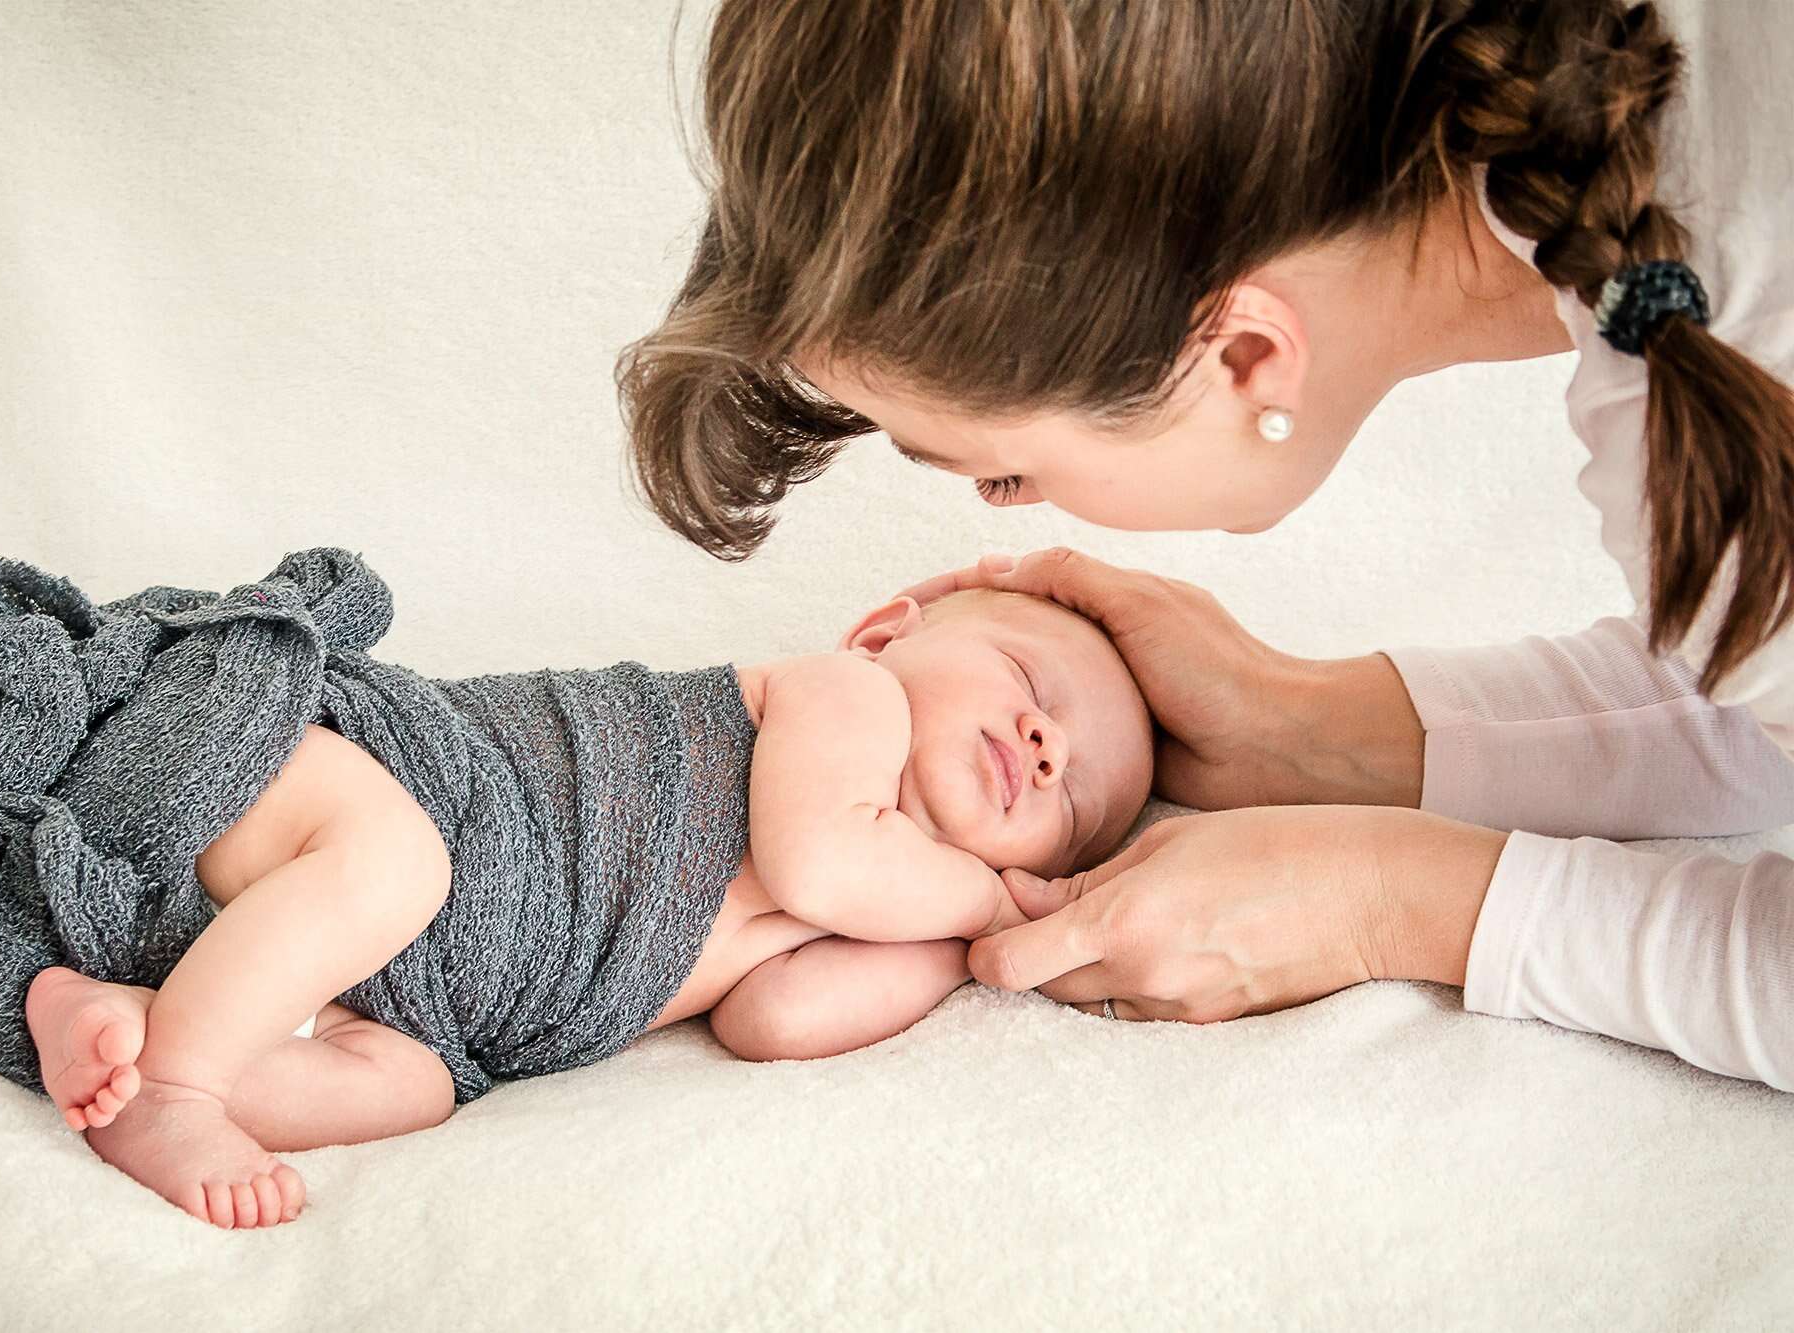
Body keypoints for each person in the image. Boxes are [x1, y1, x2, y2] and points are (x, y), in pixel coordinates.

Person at [616, 0, 1794, 1088]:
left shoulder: (1734, 379)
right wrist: (1312, 728)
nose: (1012, 505)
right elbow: (1764, 710)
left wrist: (1396, 899)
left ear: (1239, 359)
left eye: (1003, 471)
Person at [0, 545, 1151, 1227]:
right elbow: (818, 853)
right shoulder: (843, 697)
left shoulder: (893, 907)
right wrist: (983, 904)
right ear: (890, 632)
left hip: (414, 988)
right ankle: (179, 1088)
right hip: (355, 779)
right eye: (1034, 690)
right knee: (392, 864)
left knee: (403, 1090)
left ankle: (107, 1017)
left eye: (1074, 796)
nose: (1046, 746)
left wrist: (954, 952)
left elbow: (775, 1022)